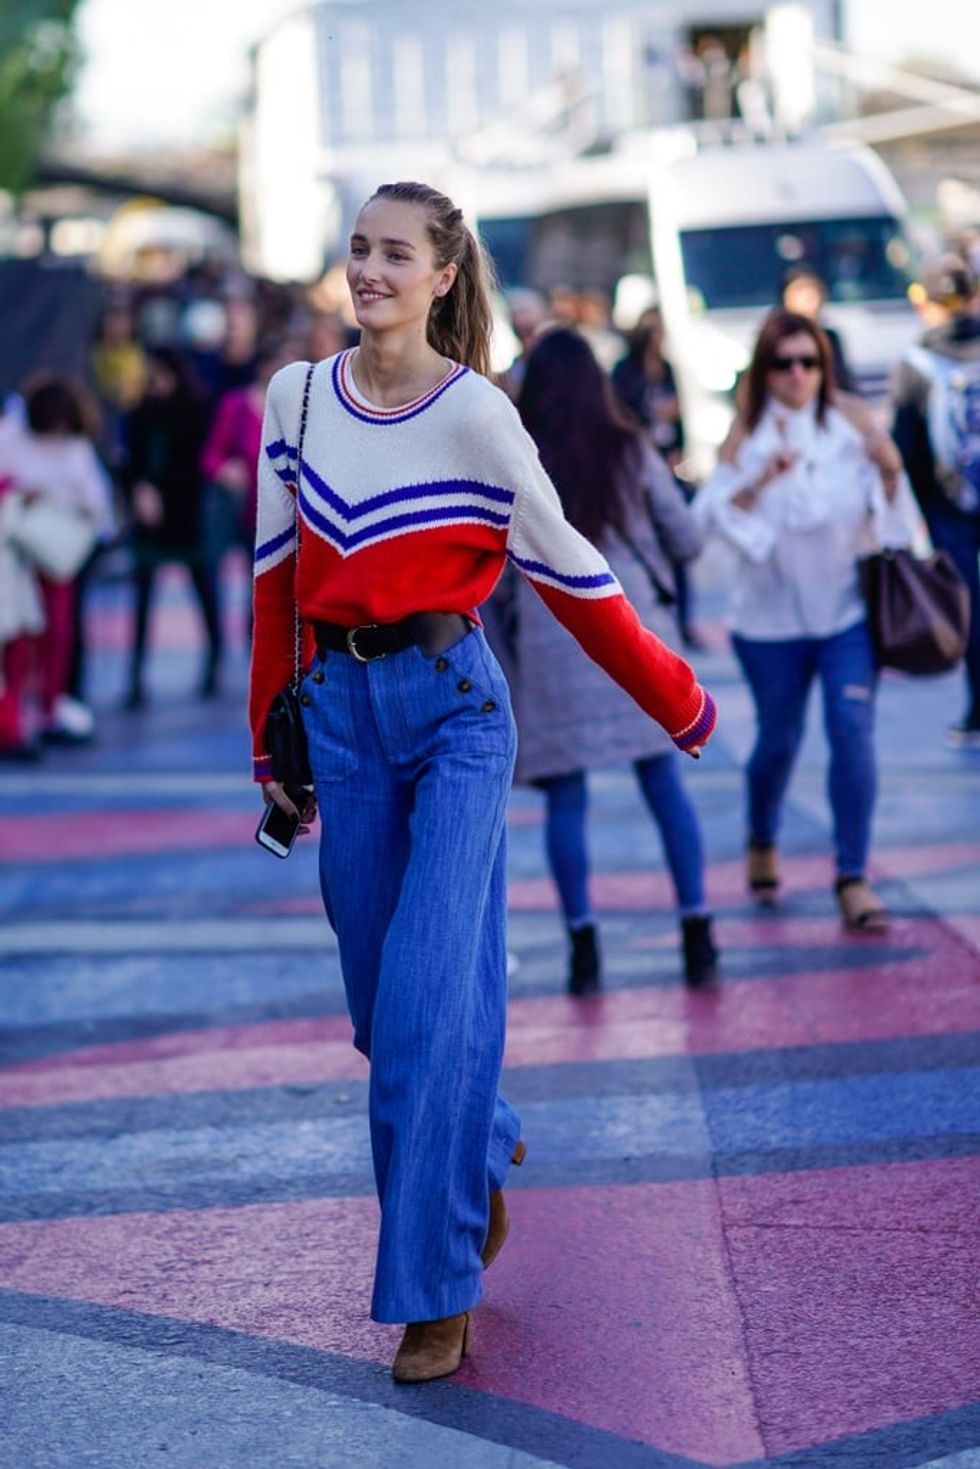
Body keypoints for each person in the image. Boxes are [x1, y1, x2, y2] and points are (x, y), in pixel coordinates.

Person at [249, 181, 716, 1384]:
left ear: (442, 275)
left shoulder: (480, 420)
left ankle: (433, 1288)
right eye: (357, 248)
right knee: (383, 1012)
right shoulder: (292, 398)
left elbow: (576, 574)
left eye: (394, 253)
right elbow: (271, 585)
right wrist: (270, 748)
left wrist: (680, 700)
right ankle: (479, 1135)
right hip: (340, 724)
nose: (368, 270)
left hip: (458, 717)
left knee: (422, 1009)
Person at [503, 327, 717, 990]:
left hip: (550, 640)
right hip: (630, 635)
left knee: (566, 804)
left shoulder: (516, 460)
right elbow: (685, 540)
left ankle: (584, 947)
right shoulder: (630, 447)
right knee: (664, 785)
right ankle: (697, 932)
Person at [695, 309, 913, 932]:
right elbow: (708, 527)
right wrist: (758, 482)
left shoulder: (852, 426)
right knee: (778, 741)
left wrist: (893, 468)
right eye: (783, 363)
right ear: (764, 371)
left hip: (846, 612)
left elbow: (899, 521)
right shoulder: (744, 438)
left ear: (824, 365)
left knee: (850, 730)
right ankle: (761, 833)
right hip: (768, 625)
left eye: (809, 361)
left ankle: (853, 877)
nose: (797, 375)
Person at [892, 255, 980, 748]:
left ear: (925, 303)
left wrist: (918, 523)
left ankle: (978, 708)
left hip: (950, 507)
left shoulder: (917, 362)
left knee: (972, 610)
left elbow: (907, 447)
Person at [0, 377, 113, 756]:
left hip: (58, 555)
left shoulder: (77, 450)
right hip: (16, 556)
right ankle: (14, 718)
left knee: (58, 634)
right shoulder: (11, 438)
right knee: (17, 638)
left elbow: (98, 506)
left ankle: (51, 706)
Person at [122, 347, 220, 708]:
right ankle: (135, 676)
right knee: (143, 594)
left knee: (203, 588)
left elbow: (198, 464)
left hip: (184, 515)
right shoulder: (140, 413)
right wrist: (139, 490)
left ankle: (213, 662)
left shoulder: (196, 411)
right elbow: (129, 460)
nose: (154, 382)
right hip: (148, 520)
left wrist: (163, 492)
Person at [612, 307, 701, 648]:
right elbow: (622, 413)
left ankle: (684, 618)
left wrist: (680, 450)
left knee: (675, 541)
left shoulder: (666, 369)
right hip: (640, 463)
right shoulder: (626, 371)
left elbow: (681, 417)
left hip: (666, 460)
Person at [200, 339, 296, 645]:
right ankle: (220, 649)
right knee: (230, 579)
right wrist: (225, 470)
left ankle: (257, 648)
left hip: (280, 513)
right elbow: (209, 457)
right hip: (240, 509)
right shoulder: (236, 404)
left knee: (266, 591)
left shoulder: (298, 408)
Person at [781, 268, 856, 393]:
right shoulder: (776, 337)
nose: (806, 301)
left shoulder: (830, 338)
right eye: (799, 293)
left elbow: (842, 381)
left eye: (811, 294)